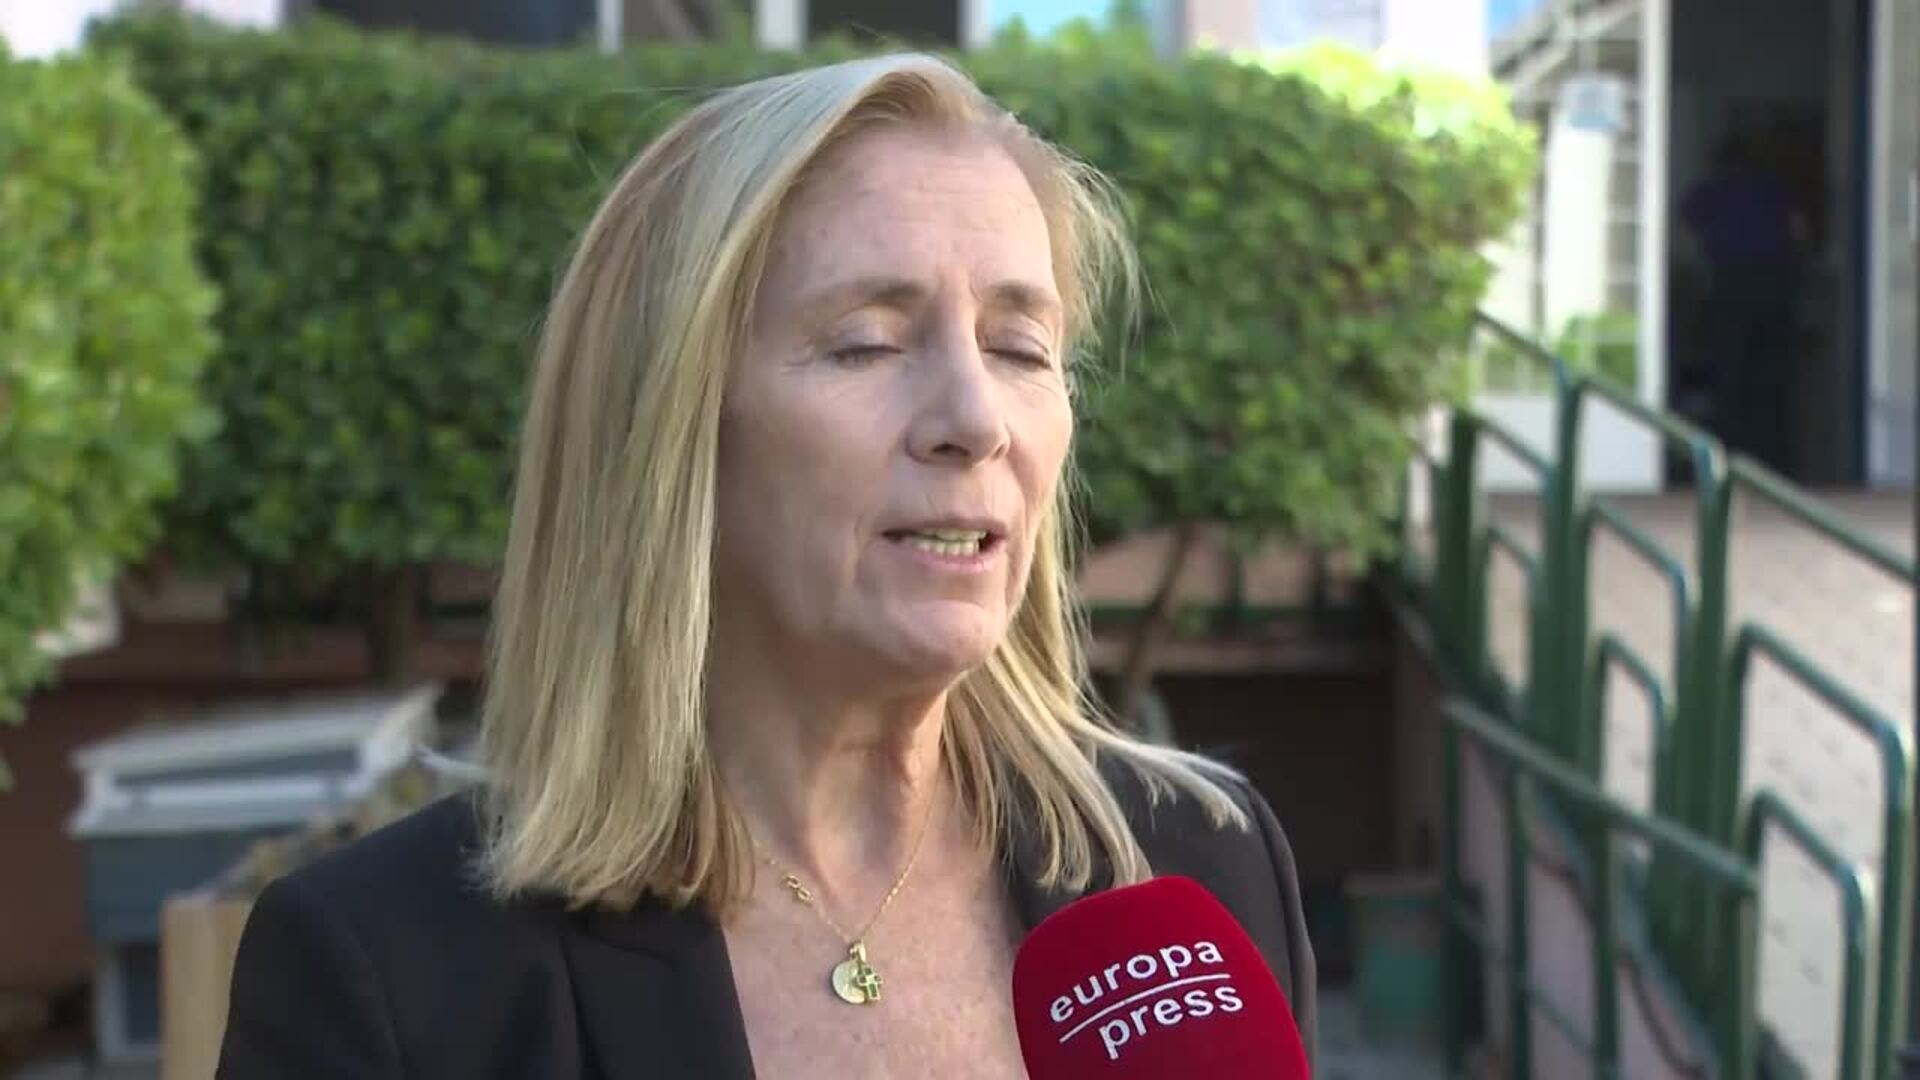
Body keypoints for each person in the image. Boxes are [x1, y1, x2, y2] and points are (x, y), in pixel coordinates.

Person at [216, 53, 1316, 1079]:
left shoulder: (1202, 865)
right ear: (673, 426)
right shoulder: (390, 976)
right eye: (867, 343)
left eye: (1019, 348)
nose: (975, 420)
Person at [1680, 131, 1807, 472]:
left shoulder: (1712, 190)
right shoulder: (1774, 189)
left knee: (1729, 374)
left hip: (1731, 286)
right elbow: (1799, 232)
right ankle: (1774, 461)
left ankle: (1727, 461)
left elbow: (1685, 221)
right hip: (1774, 287)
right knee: (1771, 377)